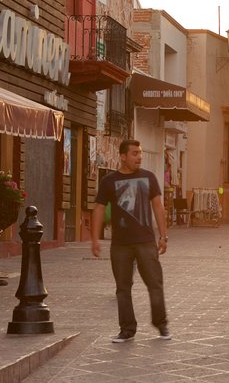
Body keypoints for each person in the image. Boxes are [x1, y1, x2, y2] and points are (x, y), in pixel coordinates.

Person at [91, 139, 170, 343]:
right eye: (134, 153)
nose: (139, 157)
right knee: (123, 288)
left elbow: (158, 207)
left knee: (155, 283)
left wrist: (163, 235)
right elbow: (99, 208)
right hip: (120, 244)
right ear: (123, 156)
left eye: (140, 153)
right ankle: (127, 329)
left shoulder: (149, 177)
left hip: (146, 242)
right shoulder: (109, 181)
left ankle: (161, 325)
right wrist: (95, 238)